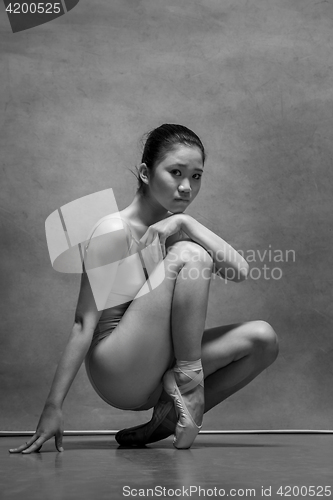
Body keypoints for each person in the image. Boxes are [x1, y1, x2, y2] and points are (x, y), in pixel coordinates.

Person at [9, 123, 278, 453]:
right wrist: (53, 406)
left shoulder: (172, 227)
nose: (186, 187)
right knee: (192, 254)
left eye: (196, 176)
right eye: (176, 172)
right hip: (117, 369)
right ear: (145, 173)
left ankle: (161, 422)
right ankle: (189, 386)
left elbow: (241, 271)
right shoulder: (113, 229)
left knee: (263, 340)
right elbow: (83, 323)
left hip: (159, 368)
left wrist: (187, 223)